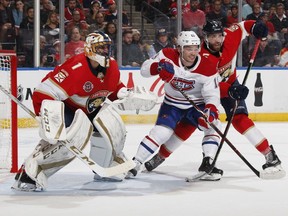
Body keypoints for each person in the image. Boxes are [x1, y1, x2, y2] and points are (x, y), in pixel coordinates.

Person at [12, 31, 157, 191]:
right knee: (70, 138)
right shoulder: (75, 67)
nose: (105, 52)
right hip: (70, 108)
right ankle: (31, 170)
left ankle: (109, 164)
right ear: (89, 49)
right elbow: (44, 91)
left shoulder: (112, 66)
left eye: (107, 48)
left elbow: (114, 87)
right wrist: (49, 117)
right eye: (100, 48)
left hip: (93, 107)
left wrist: (126, 94)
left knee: (113, 125)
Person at [144, 20, 286, 180]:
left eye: (220, 35)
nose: (217, 40)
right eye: (212, 36)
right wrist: (231, 90)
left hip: (231, 85)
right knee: (190, 124)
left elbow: (243, 26)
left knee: (240, 119)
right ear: (205, 37)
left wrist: (255, 27)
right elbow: (212, 85)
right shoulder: (201, 57)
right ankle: (162, 156)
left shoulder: (230, 36)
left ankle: (269, 155)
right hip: (208, 92)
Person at [126, 30, 223, 180]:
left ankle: (208, 161)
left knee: (213, 124)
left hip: (196, 106)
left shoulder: (208, 67)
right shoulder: (167, 55)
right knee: (161, 133)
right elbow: (144, 69)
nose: (193, 52)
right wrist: (158, 67)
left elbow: (212, 94)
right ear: (179, 48)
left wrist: (210, 110)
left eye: (196, 48)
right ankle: (135, 163)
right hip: (172, 104)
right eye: (189, 48)